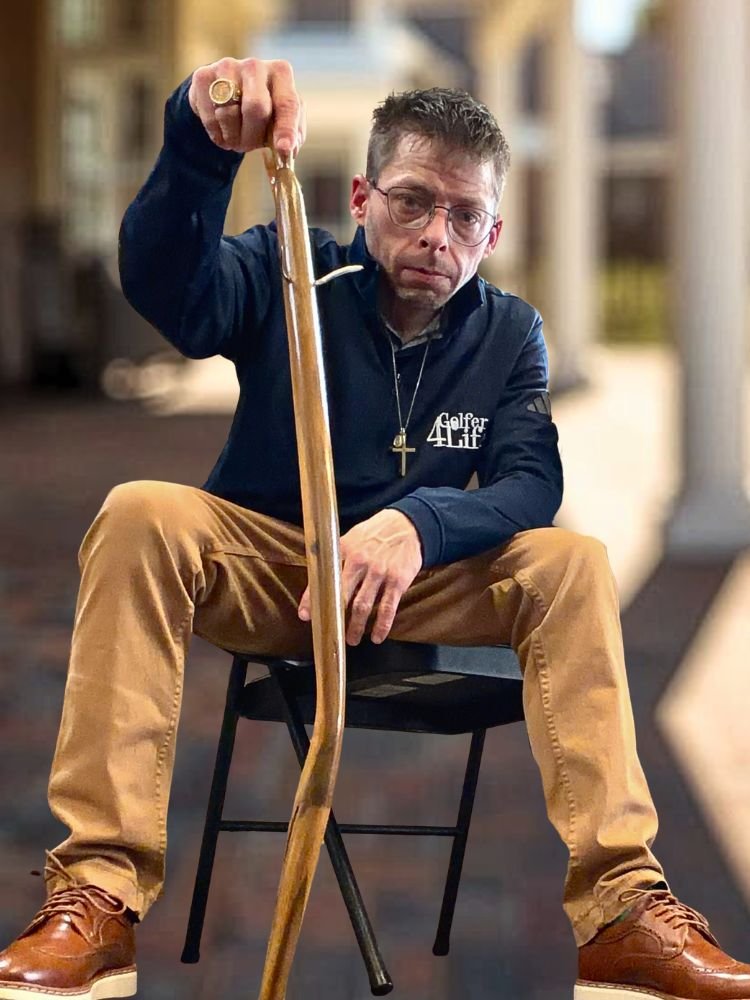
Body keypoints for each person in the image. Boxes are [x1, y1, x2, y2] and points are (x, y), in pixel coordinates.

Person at [0, 57, 748, 1000]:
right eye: (413, 201)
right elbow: (170, 295)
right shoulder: (292, 269)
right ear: (362, 198)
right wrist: (195, 140)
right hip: (274, 570)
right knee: (140, 511)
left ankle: (622, 911)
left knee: (570, 561)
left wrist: (418, 524)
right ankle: (99, 897)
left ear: (493, 233)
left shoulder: (510, 331)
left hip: (420, 587)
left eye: (466, 216)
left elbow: (531, 482)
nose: (438, 235)